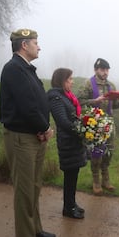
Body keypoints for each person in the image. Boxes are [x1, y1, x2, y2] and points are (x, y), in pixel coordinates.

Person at [0, 28, 55, 237]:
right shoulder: (14, 69)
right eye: (35, 43)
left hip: (34, 135)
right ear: (24, 45)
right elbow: (26, 105)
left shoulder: (27, 69)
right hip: (22, 137)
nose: (39, 46)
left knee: (34, 185)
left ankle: (35, 228)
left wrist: (42, 129)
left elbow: (37, 102)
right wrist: (43, 128)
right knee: (24, 189)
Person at [77, 58, 119, 195]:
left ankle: (106, 179)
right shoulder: (88, 84)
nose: (105, 72)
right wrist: (94, 101)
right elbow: (78, 102)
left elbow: (114, 105)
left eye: (107, 70)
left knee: (109, 151)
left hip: (109, 123)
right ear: (96, 70)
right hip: (94, 124)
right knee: (97, 152)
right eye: (102, 69)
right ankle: (96, 181)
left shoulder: (111, 86)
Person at [47, 68, 87, 219]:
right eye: (70, 79)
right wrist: (81, 129)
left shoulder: (66, 96)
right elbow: (63, 122)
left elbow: (72, 116)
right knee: (70, 175)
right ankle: (68, 208)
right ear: (62, 80)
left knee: (73, 173)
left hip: (73, 140)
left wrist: (85, 124)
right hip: (67, 142)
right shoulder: (55, 97)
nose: (72, 81)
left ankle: (72, 203)